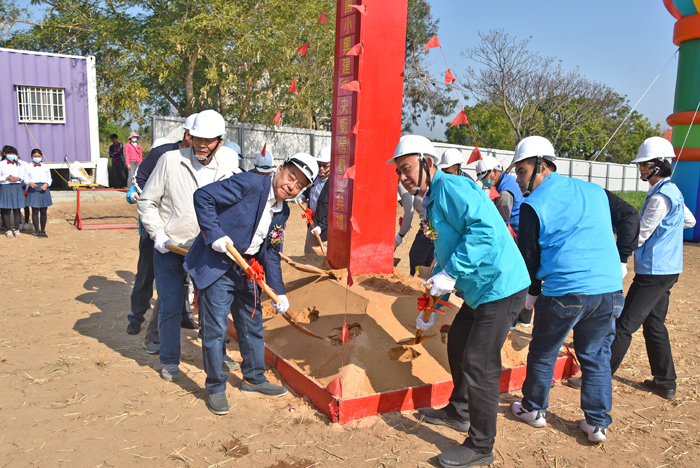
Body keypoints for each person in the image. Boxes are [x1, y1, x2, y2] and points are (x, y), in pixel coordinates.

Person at [389, 135, 530, 468]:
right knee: (458, 344)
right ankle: (459, 411)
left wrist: (451, 274)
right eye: (399, 172)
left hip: (501, 285)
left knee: (479, 362)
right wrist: (435, 302)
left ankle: (481, 446)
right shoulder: (434, 199)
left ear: (427, 163)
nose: (403, 177)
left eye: (407, 168)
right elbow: (447, 249)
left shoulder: (452, 188)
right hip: (481, 289)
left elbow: (483, 232)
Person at [508, 136, 639, 444]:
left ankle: (533, 408)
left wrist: (532, 292)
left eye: (523, 171)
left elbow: (529, 254)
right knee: (595, 355)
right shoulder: (594, 190)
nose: (519, 179)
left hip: (564, 290)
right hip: (607, 290)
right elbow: (631, 215)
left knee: (543, 350)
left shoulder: (532, 205)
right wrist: (621, 258)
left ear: (542, 165)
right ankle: (596, 424)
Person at [184, 153, 318, 415]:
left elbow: (271, 253)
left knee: (251, 324)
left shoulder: (283, 212)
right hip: (219, 263)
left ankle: (254, 378)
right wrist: (215, 235)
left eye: (299, 185)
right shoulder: (249, 183)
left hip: (248, 270)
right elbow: (203, 197)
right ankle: (214, 387)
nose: (291, 186)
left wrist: (279, 292)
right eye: (291, 177)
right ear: (279, 169)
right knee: (215, 328)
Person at [137, 110, 239, 381]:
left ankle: (218, 355)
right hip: (170, 248)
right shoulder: (170, 161)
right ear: (189, 136)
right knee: (170, 305)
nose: (202, 144)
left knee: (213, 308)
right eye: (197, 138)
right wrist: (157, 233)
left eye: (209, 140)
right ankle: (169, 359)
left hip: (208, 251)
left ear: (220, 140)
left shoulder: (228, 164)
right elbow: (147, 201)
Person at [607, 137, 696, 400]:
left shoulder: (660, 198)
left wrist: (613, 249)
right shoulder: (674, 192)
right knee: (654, 324)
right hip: (668, 270)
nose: (641, 169)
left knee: (624, 324)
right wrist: (668, 233)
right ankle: (665, 381)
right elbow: (688, 221)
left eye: (645, 165)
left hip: (654, 273)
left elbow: (641, 234)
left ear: (660, 165)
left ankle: (598, 376)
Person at [126, 114, 197, 339]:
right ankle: (136, 317)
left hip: (183, 231)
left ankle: (184, 314)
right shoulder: (163, 154)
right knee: (146, 273)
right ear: (188, 135)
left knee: (184, 276)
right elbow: (139, 179)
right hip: (156, 230)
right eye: (199, 139)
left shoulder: (200, 160)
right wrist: (159, 206)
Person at [476, 155, 529, 327]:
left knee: (512, 274)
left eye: (485, 177)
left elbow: (500, 222)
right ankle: (524, 317)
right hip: (519, 233)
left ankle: (513, 319)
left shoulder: (505, 193)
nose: (484, 181)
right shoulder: (506, 183)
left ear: (494, 172)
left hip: (517, 235)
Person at [301, 146, 330, 255]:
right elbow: (310, 190)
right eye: (319, 165)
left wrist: (321, 227)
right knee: (309, 255)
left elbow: (333, 212)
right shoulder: (314, 178)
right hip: (312, 224)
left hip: (326, 230)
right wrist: (303, 195)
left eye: (325, 166)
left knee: (323, 261)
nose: (321, 168)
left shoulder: (335, 185)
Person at [25, 149, 52, 238]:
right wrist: (29, 183)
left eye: (38, 156)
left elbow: (49, 178)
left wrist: (46, 184)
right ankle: (37, 230)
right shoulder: (28, 166)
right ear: (31, 157)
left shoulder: (45, 166)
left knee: (43, 210)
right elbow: (25, 178)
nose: (37, 158)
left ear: (41, 156)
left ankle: (43, 230)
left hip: (44, 188)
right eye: (35, 156)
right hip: (33, 188)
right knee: (35, 210)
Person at [0, 146, 26, 238]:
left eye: (13, 154)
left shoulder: (19, 164)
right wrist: (6, 178)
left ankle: (17, 229)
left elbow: (23, 175)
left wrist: (18, 178)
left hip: (16, 186)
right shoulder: (1, 164)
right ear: (4, 154)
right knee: (6, 209)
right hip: (5, 186)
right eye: (10, 154)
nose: (12, 155)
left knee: (17, 209)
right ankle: (8, 230)